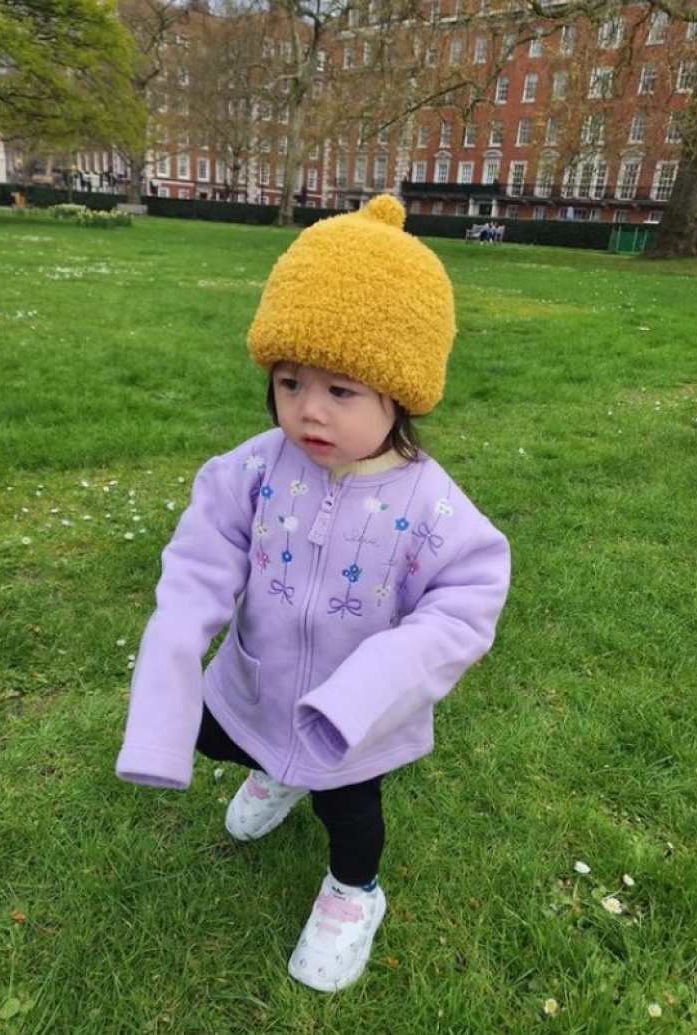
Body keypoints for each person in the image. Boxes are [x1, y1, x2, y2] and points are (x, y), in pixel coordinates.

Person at [116, 194, 511, 993]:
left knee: (351, 813)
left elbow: (466, 602)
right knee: (215, 735)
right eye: (291, 380)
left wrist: (362, 694)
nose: (307, 411)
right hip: (255, 683)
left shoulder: (431, 505)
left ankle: (354, 891)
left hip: (350, 723)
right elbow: (196, 566)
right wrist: (167, 684)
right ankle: (275, 767)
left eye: (342, 390)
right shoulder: (254, 469)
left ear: (400, 393)